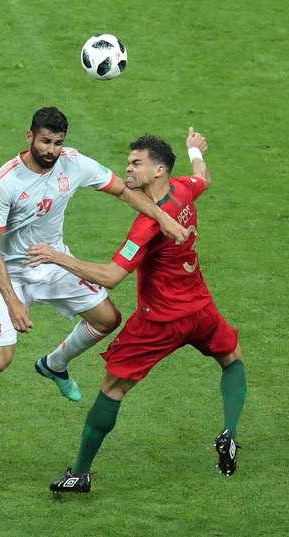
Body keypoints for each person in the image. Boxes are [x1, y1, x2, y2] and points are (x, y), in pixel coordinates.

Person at [0, 107, 188, 436]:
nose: (51, 150)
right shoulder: (5, 181)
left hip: (52, 262)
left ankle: (54, 365)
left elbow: (124, 191)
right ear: (30, 138)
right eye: (45, 141)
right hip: (9, 272)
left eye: (57, 142)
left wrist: (162, 217)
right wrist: (12, 301)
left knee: (107, 319)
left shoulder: (74, 164)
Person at [26, 128, 246, 493]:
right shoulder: (184, 188)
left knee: (112, 388)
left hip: (160, 321)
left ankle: (79, 473)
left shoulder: (148, 225)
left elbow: (112, 276)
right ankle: (230, 432)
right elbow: (202, 178)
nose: (127, 170)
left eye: (136, 164)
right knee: (232, 359)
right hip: (201, 308)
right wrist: (195, 151)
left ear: (158, 170)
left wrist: (55, 256)